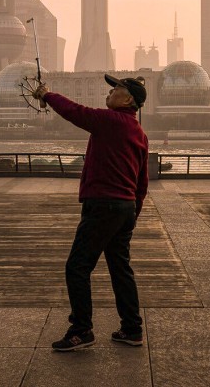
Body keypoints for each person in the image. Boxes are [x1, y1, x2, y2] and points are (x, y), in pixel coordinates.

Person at [32, 74, 149, 352]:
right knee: (120, 268)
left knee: (77, 267)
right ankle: (132, 328)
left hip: (103, 206)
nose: (109, 92)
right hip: (124, 208)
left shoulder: (110, 122)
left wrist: (47, 95)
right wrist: (133, 212)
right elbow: (142, 182)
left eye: (116, 88)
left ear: (129, 99)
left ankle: (81, 330)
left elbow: (76, 112)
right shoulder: (139, 132)